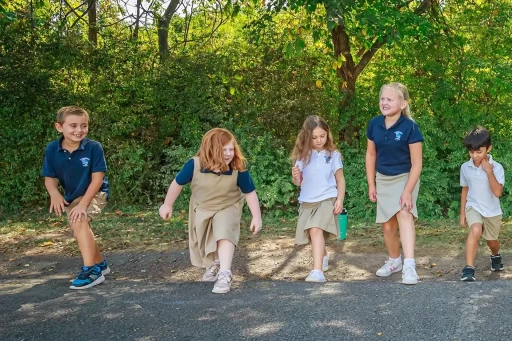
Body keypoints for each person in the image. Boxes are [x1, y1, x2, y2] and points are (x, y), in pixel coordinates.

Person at [159, 128, 262, 294]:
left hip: (229, 205)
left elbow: (250, 193)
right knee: (206, 238)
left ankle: (225, 273)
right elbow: (177, 183)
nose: (229, 154)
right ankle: (214, 264)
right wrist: (167, 204)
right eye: (224, 150)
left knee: (224, 232)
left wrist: (256, 217)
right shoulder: (194, 165)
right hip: (202, 207)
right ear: (211, 150)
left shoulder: (237, 168)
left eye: (231, 149)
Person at [42, 106, 110, 289]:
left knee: (79, 220)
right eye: (73, 125)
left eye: (84, 125)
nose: (79, 130)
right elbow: (50, 178)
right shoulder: (52, 149)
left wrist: (84, 205)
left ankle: (91, 271)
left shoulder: (93, 147)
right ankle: (100, 265)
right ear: (59, 127)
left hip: (95, 192)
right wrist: (54, 193)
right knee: (81, 227)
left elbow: (97, 179)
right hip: (72, 196)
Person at [365, 82, 424, 285]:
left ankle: (409, 266)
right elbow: (371, 154)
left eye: (390, 99)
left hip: (405, 177)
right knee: (388, 225)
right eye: (382, 98)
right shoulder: (374, 124)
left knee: (404, 214)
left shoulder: (410, 127)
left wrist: (408, 191)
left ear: (403, 103)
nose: (385, 102)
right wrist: (371, 184)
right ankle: (394, 261)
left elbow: (417, 163)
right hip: (383, 178)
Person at [291, 115, 345, 282]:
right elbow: (298, 182)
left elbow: (340, 179)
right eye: (314, 137)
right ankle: (323, 257)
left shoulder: (333, 154)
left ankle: (317, 272)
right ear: (307, 137)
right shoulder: (303, 155)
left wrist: (340, 200)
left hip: (327, 198)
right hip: (307, 200)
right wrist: (296, 176)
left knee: (316, 230)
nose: (319, 140)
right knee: (313, 235)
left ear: (327, 134)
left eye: (322, 136)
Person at [459, 126, 505, 281]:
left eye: (479, 152)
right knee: (476, 229)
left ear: (488, 148)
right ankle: (469, 268)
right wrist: (463, 213)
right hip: (473, 207)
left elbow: (498, 192)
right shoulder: (465, 167)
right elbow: (465, 190)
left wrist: (489, 171)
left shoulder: (497, 168)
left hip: (492, 211)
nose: (475, 155)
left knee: (492, 242)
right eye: (471, 152)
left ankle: (495, 255)